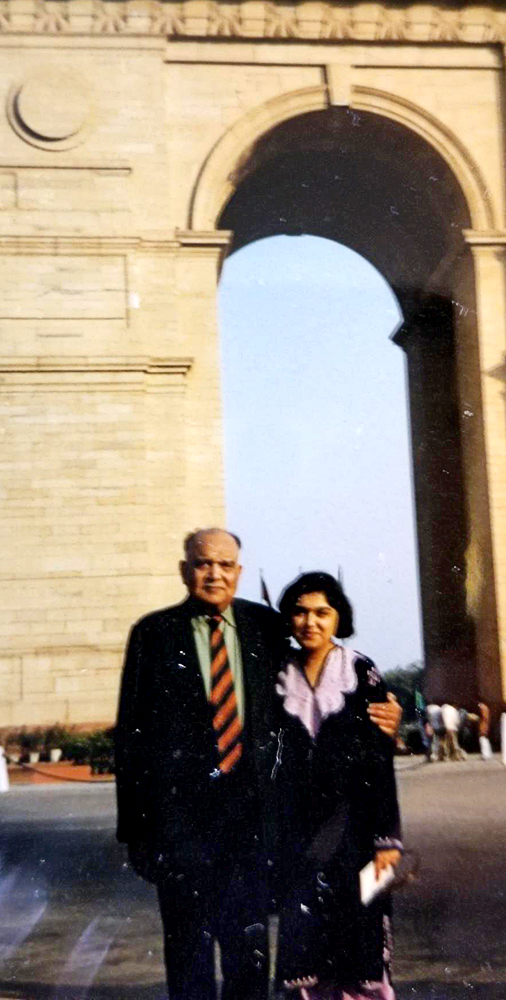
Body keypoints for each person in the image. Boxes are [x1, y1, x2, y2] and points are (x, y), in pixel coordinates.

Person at [115, 531, 403, 1000]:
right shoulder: (152, 634)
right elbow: (131, 739)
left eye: (226, 565)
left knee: (247, 948)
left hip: (251, 827)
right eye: (204, 564)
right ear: (186, 570)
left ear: (239, 572)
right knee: (188, 948)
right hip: (182, 827)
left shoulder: (265, 627)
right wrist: (136, 833)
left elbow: (334, 681)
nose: (215, 574)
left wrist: (392, 716)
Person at [274, 572, 403, 1000]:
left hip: (359, 833)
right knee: (306, 943)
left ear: (337, 618)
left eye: (321, 612)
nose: (310, 621)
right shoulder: (276, 675)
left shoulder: (360, 670)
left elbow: (380, 760)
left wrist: (387, 840)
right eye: (300, 611)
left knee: (362, 932)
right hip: (298, 834)